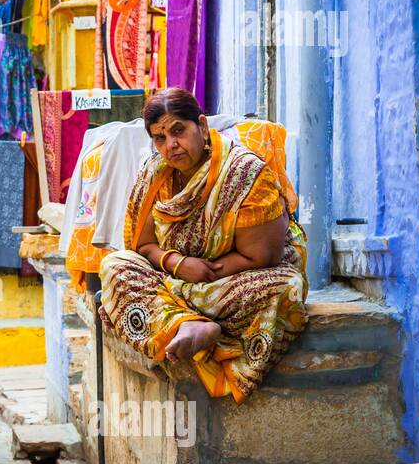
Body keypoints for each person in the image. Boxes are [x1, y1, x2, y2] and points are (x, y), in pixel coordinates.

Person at [98, 88, 308, 402]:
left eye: (178, 131)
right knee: (114, 266)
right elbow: (142, 246)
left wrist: (202, 273)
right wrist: (178, 264)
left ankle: (175, 319)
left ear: (201, 125)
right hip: (177, 279)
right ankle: (190, 325)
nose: (171, 145)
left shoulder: (244, 173)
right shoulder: (154, 174)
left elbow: (262, 255)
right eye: (159, 137)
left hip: (228, 282)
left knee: (286, 287)